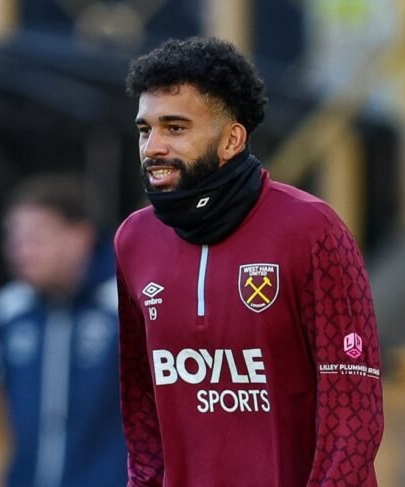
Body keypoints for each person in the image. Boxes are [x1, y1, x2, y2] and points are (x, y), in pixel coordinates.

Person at [114, 37, 383, 486]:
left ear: (231, 139)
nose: (153, 146)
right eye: (146, 129)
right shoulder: (133, 240)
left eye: (175, 128)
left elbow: (352, 418)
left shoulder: (312, 230)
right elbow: (142, 413)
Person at [0, 172, 127, 487]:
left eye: (35, 238)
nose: (21, 251)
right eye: (13, 238)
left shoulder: (127, 305)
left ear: (80, 236)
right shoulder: (9, 311)